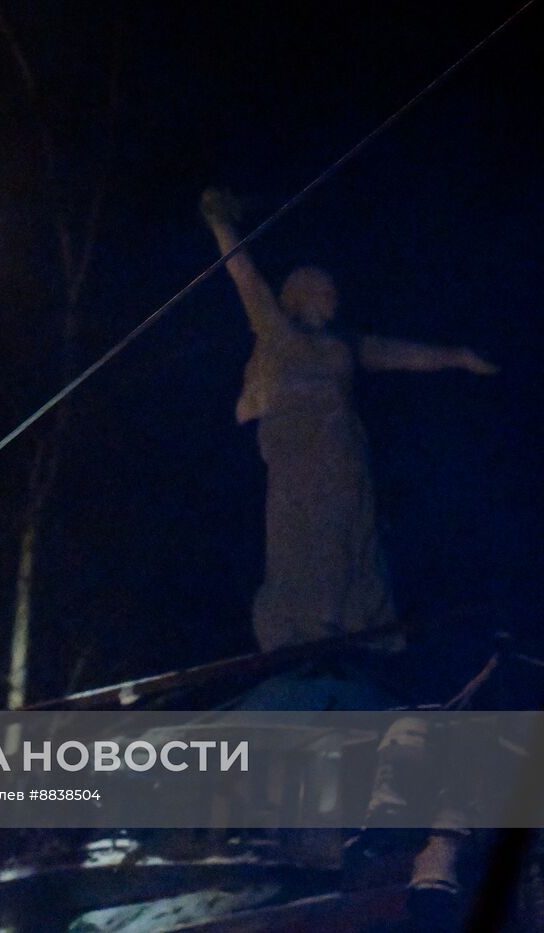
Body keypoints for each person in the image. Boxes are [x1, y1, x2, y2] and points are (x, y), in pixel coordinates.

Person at [199, 188, 497, 654]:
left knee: (355, 535)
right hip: (300, 454)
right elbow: (246, 277)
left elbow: (399, 352)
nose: (334, 298)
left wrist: (457, 356)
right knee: (307, 540)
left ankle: (363, 630)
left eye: (334, 291)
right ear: (298, 296)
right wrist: (220, 223)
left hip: (345, 454)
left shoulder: (344, 345)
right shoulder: (280, 332)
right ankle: (310, 636)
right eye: (324, 290)